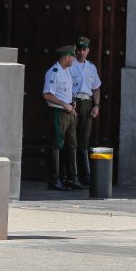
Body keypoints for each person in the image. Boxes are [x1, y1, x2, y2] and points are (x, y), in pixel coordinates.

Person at [42, 45, 88, 191]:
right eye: (72, 56)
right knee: (56, 145)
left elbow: (66, 92)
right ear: (66, 57)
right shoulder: (54, 72)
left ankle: (72, 178)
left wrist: (71, 103)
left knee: (72, 145)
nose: (75, 59)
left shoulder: (67, 71)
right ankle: (54, 179)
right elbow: (47, 95)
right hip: (58, 112)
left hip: (69, 112)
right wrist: (64, 104)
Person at [70, 35, 101, 186]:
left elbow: (96, 88)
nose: (81, 52)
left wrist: (96, 105)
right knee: (71, 141)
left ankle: (85, 175)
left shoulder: (91, 67)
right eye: (79, 49)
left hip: (87, 103)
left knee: (83, 141)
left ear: (88, 51)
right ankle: (71, 174)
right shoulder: (70, 65)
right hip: (74, 103)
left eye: (84, 49)